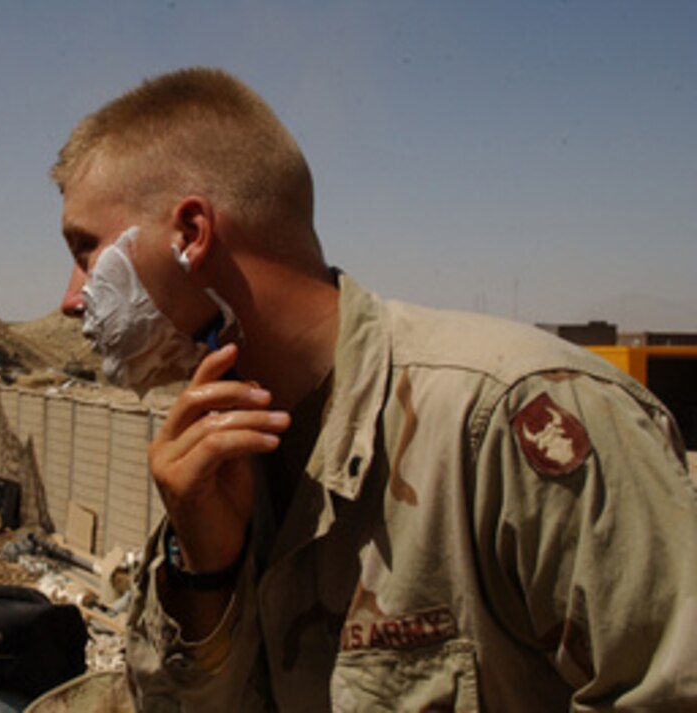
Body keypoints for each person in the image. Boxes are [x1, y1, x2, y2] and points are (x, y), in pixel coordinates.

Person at [50, 67, 697, 710]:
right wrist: (205, 572)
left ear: (189, 235)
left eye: (86, 250)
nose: (70, 300)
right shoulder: (218, 456)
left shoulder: (506, 417)